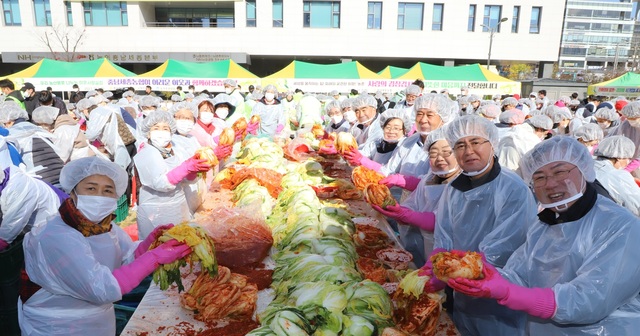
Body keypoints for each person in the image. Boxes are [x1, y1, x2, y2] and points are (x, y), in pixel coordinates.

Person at [448, 136, 640, 335]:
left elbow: (590, 299)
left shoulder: (620, 226)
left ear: (585, 170)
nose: (550, 184)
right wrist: (480, 272)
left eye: (559, 172)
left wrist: (509, 293)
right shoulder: (544, 224)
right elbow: (520, 274)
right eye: (539, 177)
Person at [19, 157, 191, 336]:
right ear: (73, 193)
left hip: (98, 320)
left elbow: (125, 258)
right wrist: (154, 258)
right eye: (91, 188)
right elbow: (102, 288)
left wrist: (149, 244)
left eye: (107, 190)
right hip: (58, 324)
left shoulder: (105, 227)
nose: (99, 196)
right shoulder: (56, 236)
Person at [421, 114, 538, 336]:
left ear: (492, 144)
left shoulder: (513, 189)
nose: (468, 151)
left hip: (499, 292)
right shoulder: (454, 188)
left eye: (475, 142)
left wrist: (454, 270)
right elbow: (444, 234)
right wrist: (437, 260)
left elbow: (503, 247)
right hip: (462, 291)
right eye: (460, 145)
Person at [372, 128, 461, 266]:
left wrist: (407, 216)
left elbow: (443, 221)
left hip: (450, 257)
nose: (439, 158)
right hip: (423, 245)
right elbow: (414, 202)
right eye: (433, 154)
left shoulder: (463, 185)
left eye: (446, 152)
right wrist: (398, 210)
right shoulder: (429, 178)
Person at [0, 158, 62, 334]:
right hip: (35, 233)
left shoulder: (19, 189)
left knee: (48, 280)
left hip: (50, 232)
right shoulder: (7, 181)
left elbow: (6, 234)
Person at [134, 111, 210, 240]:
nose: (161, 132)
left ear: (171, 132)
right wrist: (185, 168)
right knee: (158, 247)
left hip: (178, 206)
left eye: (165, 128)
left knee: (182, 244)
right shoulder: (146, 152)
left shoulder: (174, 150)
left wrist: (192, 172)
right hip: (155, 210)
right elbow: (160, 183)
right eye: (156, 128)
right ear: (148, 132)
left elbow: (185, 180)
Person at [2, 104, 64, 187]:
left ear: (8, 121)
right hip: (61, 175)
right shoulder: (38, 129)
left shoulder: (11, 136)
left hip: (42, 182)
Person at [592, 135, 640, 216]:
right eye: (628, 159)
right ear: (619, 157)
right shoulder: (617, 175)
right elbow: (636, 204)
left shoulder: (587, 165)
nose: (628, 162)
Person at [344, 109, 409, 167]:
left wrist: (364, 161)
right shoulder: (377, 143)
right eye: (388, 127)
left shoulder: (406, 147)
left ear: (404, 130)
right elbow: (363, 153)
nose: (391, 131)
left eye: (396, 128)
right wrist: (343, 150)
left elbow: (390, 171)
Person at [609, 101, 640, 177]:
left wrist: (627, 170)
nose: (631, 120)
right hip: (627, 162)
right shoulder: (626, 124)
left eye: (634, 118)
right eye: (628, 118)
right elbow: (615, 139)